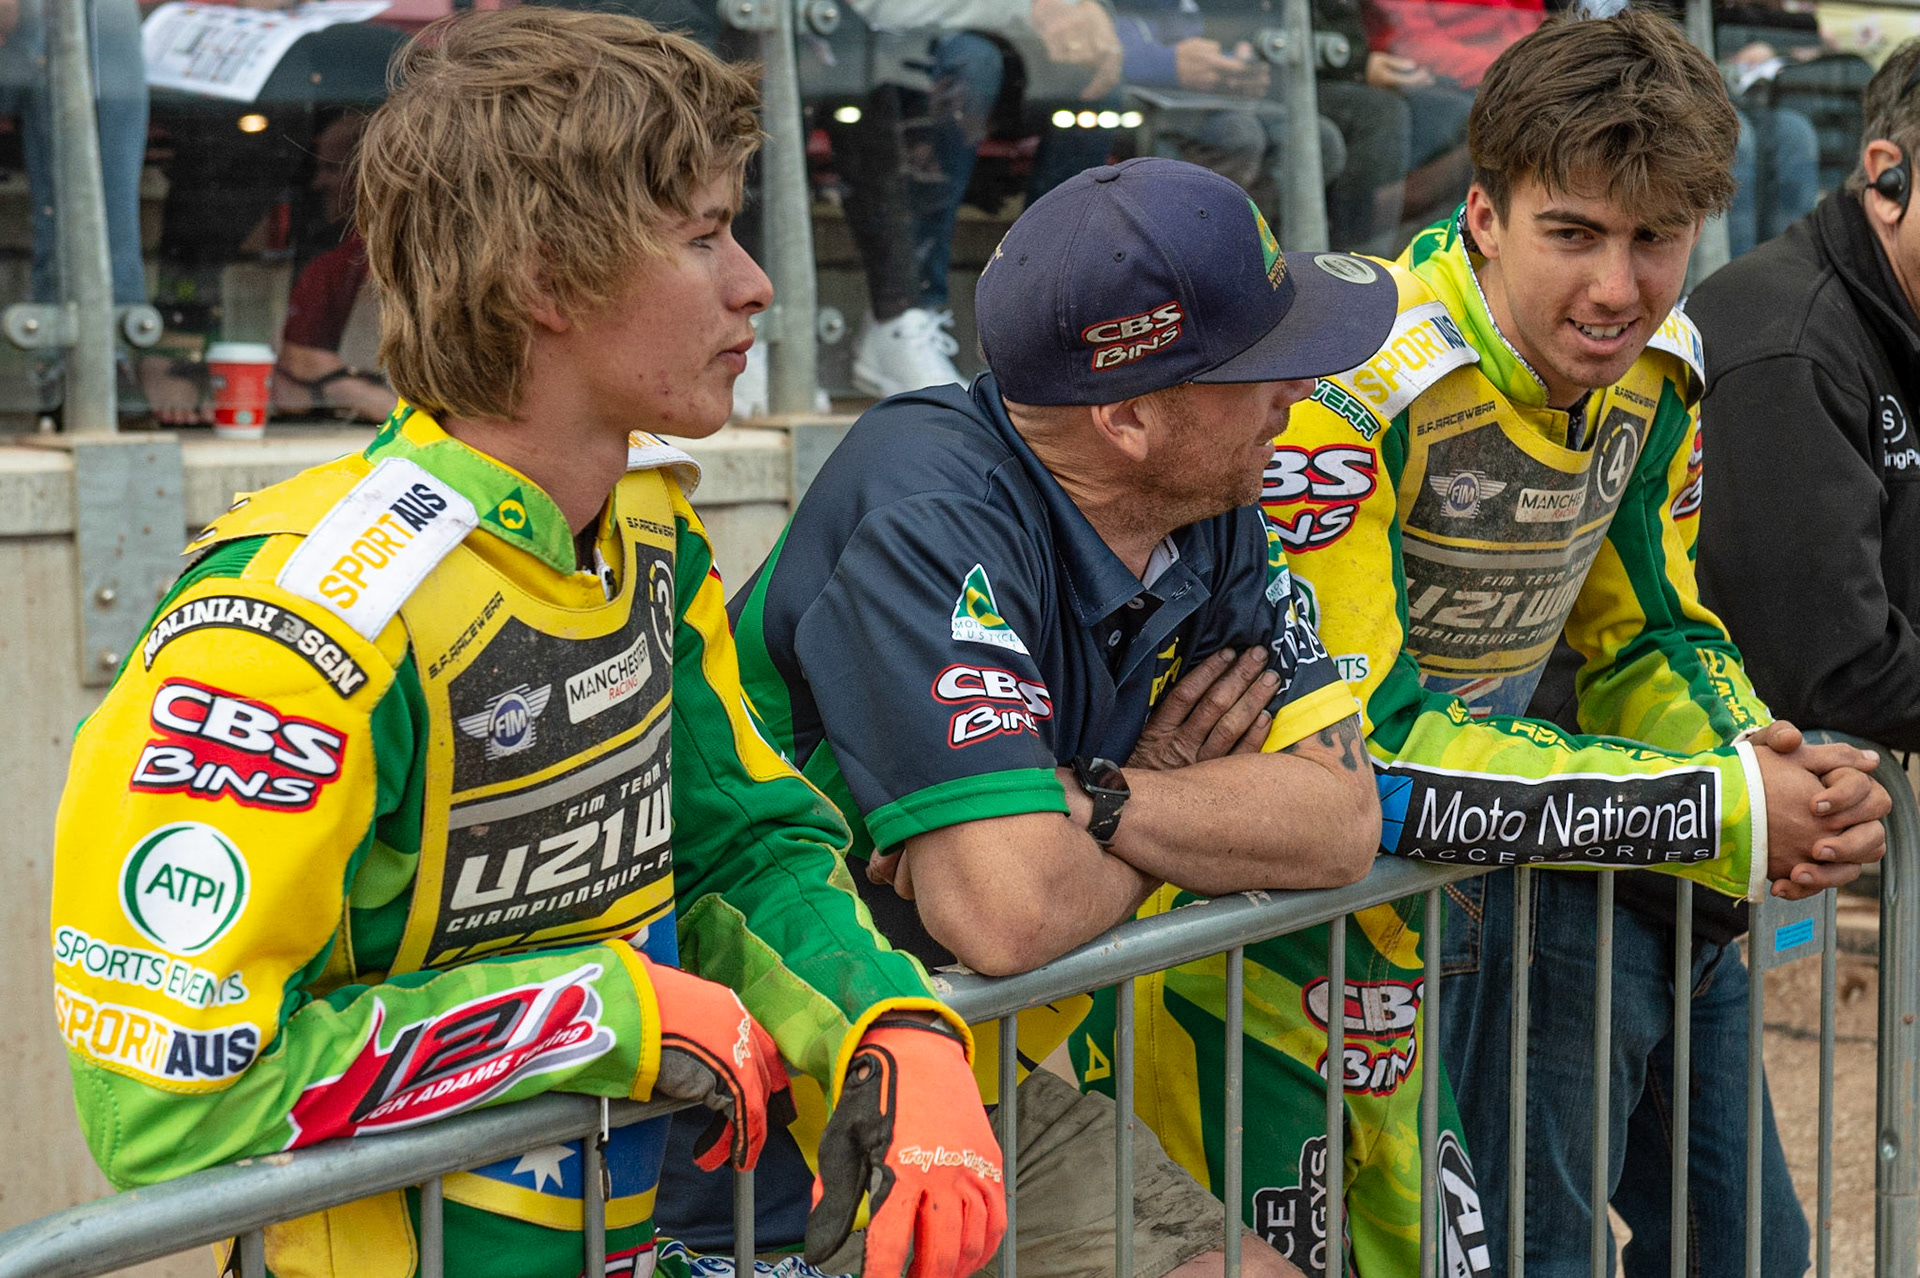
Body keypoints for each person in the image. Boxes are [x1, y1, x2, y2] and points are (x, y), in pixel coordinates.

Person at [48, 12, 1004, 1278]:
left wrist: (892, 1026)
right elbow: (170, 1102)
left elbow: (736, 846)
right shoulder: (304, 619)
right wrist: (593, 1013)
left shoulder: (649, 534)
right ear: (542, 282)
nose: (756, 283)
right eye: (703, 236)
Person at [1163, 10, 1888, 1277]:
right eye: (1574, 233)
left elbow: (1649, 630)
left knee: (1751, 1249)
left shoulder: (1664, 365)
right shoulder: (1353, 388)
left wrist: (1749, 753)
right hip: (1308, 924)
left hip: (1544, 858)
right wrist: (1714, 803)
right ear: (1485, 215)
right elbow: (1366, 749)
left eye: (1656, 239)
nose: (1618, 288)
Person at [657, 156, 1392, 1276]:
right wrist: (1177, 792)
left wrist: (1104, 795)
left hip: (967, 1091)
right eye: (1263, 369)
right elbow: (1006, 914)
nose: (1296, 398)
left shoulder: (1214, 496)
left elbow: (1339, 824)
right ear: (1132, 418)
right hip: (753, 1153)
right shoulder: (928, 501)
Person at [1690, 38, 1920, 754]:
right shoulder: (1786, 346)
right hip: (1642, 844)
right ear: (1890, 180)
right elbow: (1830, 670)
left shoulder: (1888, 305)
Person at [273, 113, 400, 423]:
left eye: (331, 169)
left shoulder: (340, 267)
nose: (318, 184)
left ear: (370, 177)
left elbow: (299, 365)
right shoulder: (337, 266)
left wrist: (334, 382)